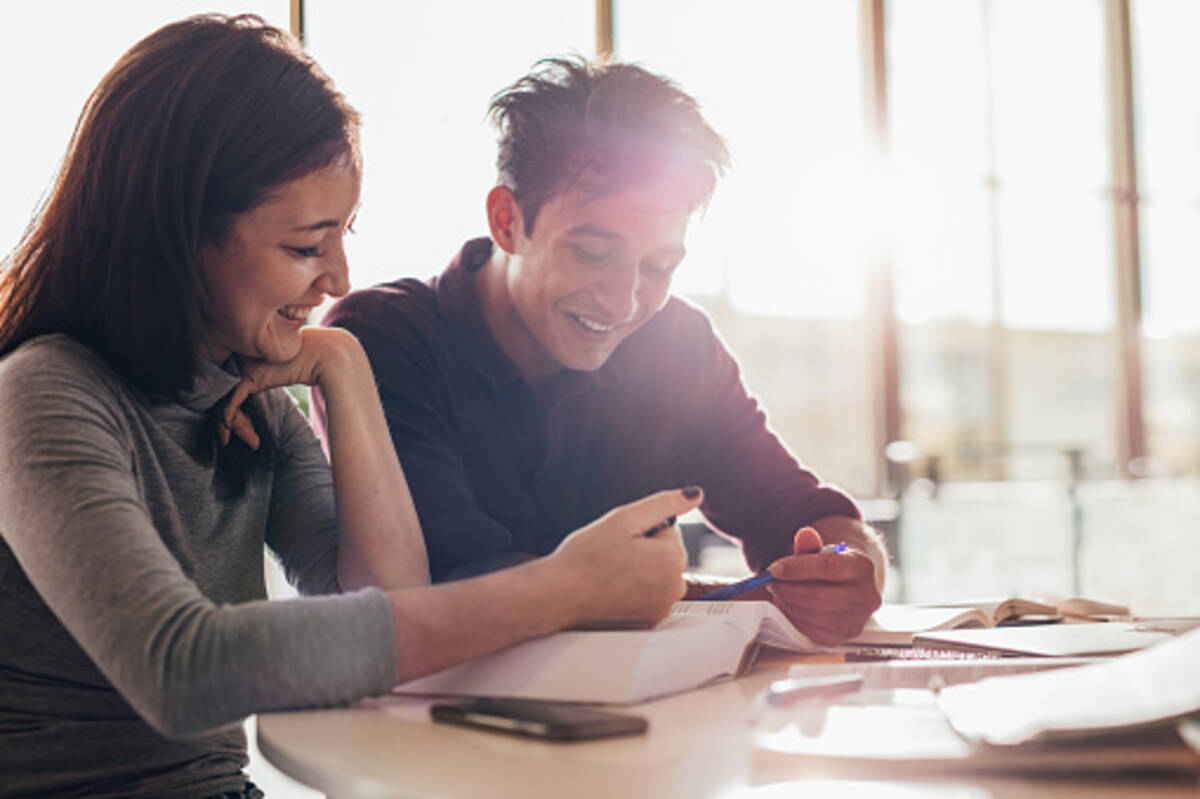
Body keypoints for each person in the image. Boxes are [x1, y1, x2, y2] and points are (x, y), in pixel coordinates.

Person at [0, 18, 694, 796]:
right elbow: (181, 668)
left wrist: (346, 366)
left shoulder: (256, 405)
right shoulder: (41, 391)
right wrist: (564, 587)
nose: (337, 277)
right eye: (305, 246)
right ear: (179, 233)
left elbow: (386, 612)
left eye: (342, 236)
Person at [319, 57, 886, 648]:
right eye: (592, 253)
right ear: (508, 221)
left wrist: (849, 565)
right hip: (415, 728)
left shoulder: (676, 343)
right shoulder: (384, 340)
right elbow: (444, 585)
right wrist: (687, 593)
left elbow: (799, 510)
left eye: (660, 266)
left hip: (647, 727)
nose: (624, 302)